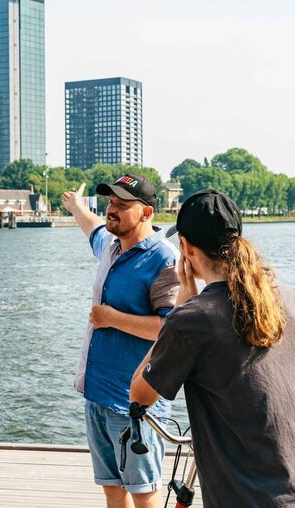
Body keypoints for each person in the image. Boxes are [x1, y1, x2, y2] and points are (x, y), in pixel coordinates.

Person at [130, 189, 295, 507]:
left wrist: (177, 310)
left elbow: (140, 394)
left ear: (185, 248)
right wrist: (291, 440)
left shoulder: (192, 319)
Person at [62, 174, 180, 508]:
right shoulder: (110, 246)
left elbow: (170, 330)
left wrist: (111, 318)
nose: (112, 210)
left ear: (146, 213)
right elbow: (93, 226)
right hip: (97, 394)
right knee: (112, 489)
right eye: (111, 202)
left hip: (135, 403)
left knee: (144, 493)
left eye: (122, 205)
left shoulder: (163, 260)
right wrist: (75, 206)